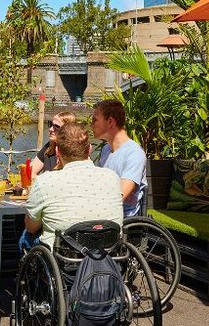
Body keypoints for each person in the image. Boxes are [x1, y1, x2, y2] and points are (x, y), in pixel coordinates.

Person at [22, 122, 123, 250]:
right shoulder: (112, 177)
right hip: (108, 255)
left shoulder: (45, 181)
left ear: (58, 152)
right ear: (90, 149)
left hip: (65, 259)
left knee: (26, 237)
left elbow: (31, 227)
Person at [91, 99, 147, 218]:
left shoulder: (134, 153)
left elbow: (119, 196)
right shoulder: (106, 149)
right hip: (102, 215)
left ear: (110, 121)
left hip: (122, 221)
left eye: (94, 120)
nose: (91, 124)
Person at [28, 110, 76, 179]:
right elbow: (30, 171)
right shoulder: (49, 147)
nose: (50, 129)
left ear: (68, 129)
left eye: (56, 127)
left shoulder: (77, 152)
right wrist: (42, 183)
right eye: (50, 125)